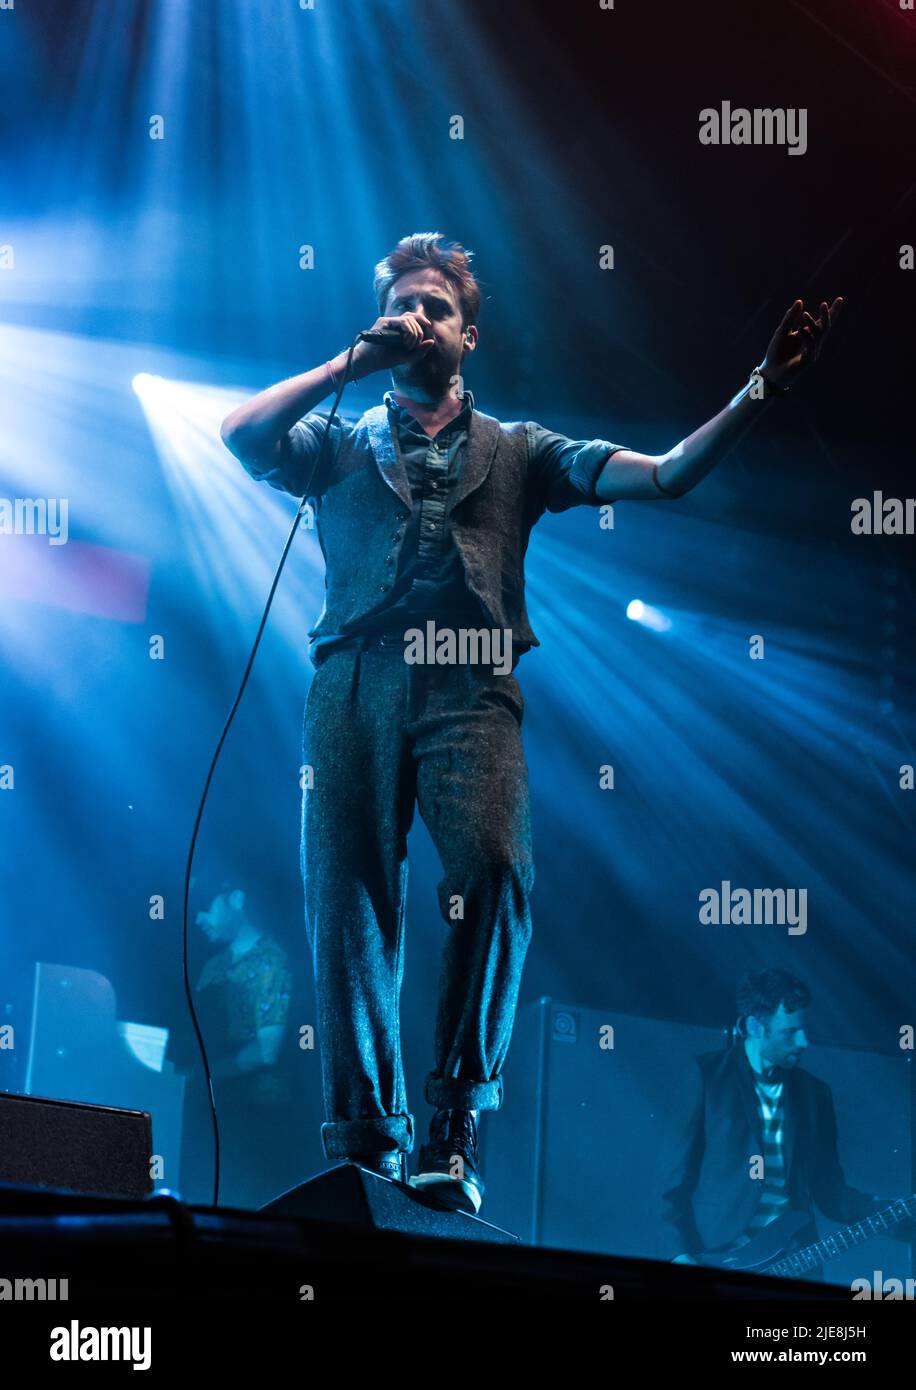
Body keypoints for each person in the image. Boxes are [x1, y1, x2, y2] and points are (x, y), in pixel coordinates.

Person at [220, 231, 841, 1214]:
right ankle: (368, 1139)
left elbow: (668, 472)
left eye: (436, 307)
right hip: (354, 678)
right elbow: (240, 434)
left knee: (495, 868)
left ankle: (455, 1121)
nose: (418, 318)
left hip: (471, 686)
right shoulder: (343, 440)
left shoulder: (523, 450)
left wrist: (759, 388)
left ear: (468, 335)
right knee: (347, 905)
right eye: (403, 303)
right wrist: (351, 360)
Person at [660, 969, 906, 1274]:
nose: (804, 1041)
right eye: (790, 1032)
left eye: (803, 1029)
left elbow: (830, 1192)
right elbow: (669, 1188)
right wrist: (680, 1254)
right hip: (717, 1258)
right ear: (755, 1026)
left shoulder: (815, 1095)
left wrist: (895, 1213)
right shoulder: (707, 1077)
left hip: (796, 1262)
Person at [176, 881, 300, 1208]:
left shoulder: (272, 961)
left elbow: (267, 1050)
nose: (200, 918)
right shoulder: (213, 966)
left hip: (255, 1120)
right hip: (207, 1113)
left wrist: (205, 1076)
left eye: (207, 906)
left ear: (236, 898)